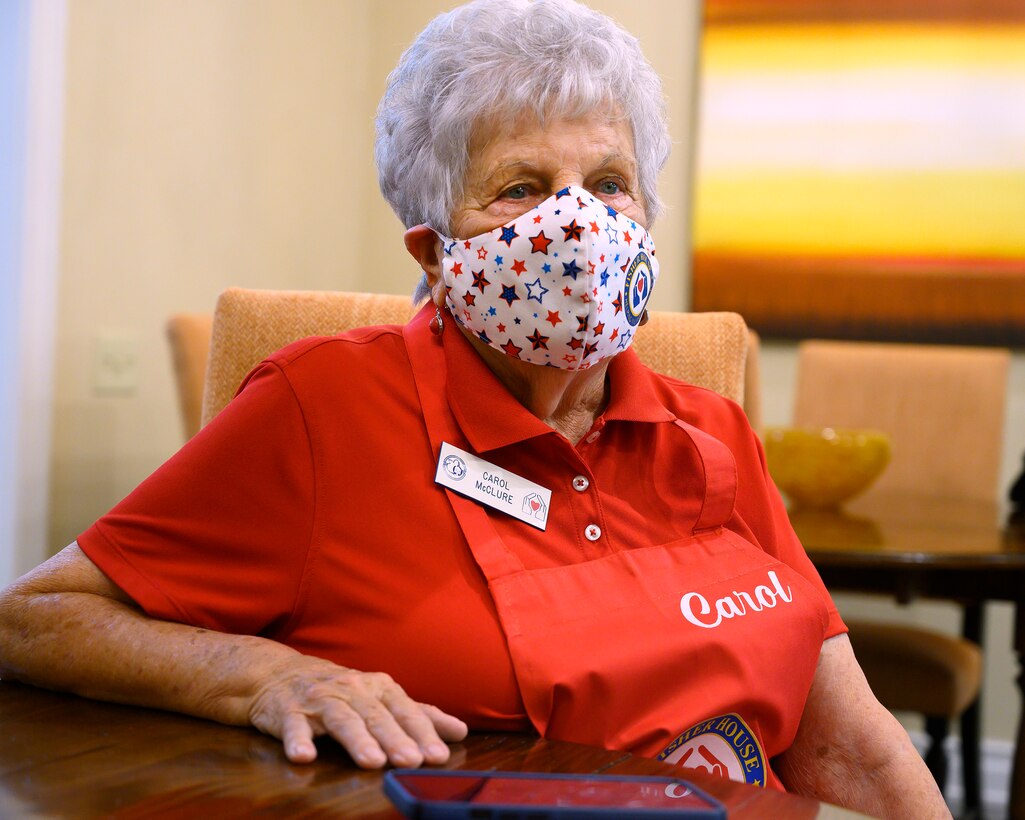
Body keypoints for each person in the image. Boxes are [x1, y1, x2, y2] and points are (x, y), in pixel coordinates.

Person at [0, 1, 947, 816]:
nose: (578, 230)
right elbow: (35, 618)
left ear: (647, 220)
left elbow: (849, 749)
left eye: (609, 184)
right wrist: (269, 675)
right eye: (520, 190)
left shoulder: (713, 430)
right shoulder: (321, 407)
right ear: (432, 252)